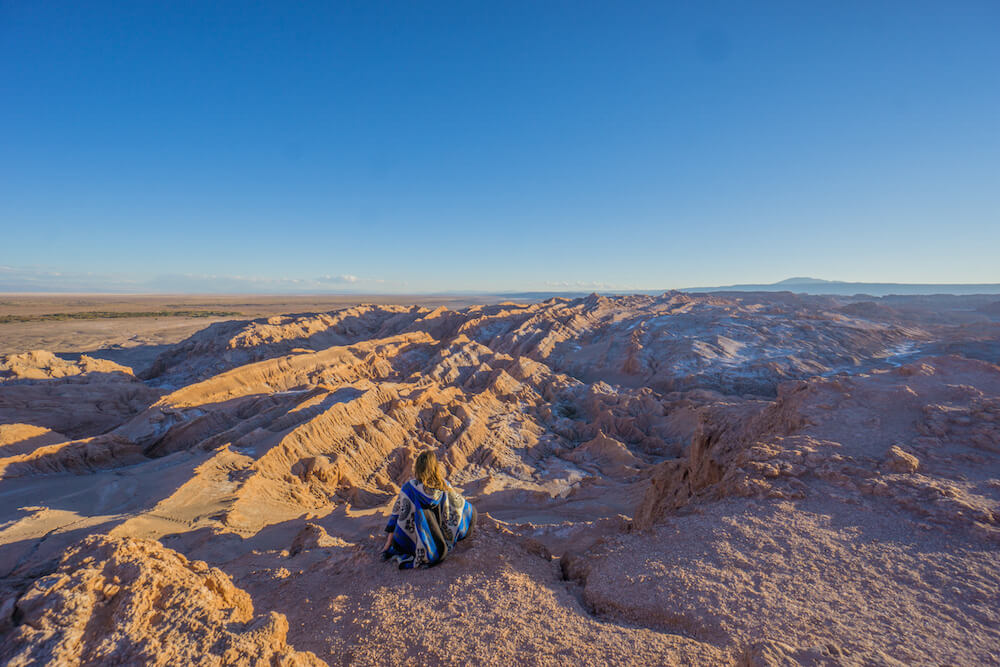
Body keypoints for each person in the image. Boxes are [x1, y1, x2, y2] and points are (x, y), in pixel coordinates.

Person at [381, 450, 476, 569]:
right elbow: (459, 507)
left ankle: (417, 544)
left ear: (418, 468)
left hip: (412, 542)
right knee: (470, 511)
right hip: (438, 540)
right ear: (435, 467)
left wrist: (387, 546)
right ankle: (438, 541)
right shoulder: (444, 486)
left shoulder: (409, 488)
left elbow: (396, 516)